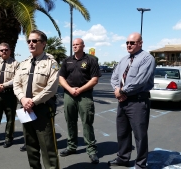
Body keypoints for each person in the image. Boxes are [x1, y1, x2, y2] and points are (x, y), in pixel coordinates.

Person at [13, 30, 60, 169]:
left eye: (35, 41)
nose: (31, 44)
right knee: (30, 145)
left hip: (42, 109)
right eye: (29, 41)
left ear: (43, 44)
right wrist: (22, 99)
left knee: (47, 147)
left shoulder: (51, 63)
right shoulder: (24, 64)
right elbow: (16, 84)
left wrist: (33, 101)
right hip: (25, 109)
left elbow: (51, 88)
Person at [108, 32, 155, 169]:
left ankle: (140, 164)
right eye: (127, 42)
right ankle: (123, 158)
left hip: (138, 102)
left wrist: (122, 91)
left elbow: (140, 80)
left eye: (132, 43)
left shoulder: (147, 58)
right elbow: (114, 77)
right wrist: (117, 90)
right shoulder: (124, 60)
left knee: (140, 135)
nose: (129, 45)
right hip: (122, 101)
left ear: (140, 43)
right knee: (122, 132)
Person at [59, 38, 101, 164]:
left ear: (83, 46)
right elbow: (61, 78)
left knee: (87, 122)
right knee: (70, 121)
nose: (75, 46)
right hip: (69, 95)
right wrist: (70, 90)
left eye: (77, 44)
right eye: (73, 45)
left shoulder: (91, 60)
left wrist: (80, 90)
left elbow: (94, 79)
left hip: (85, 96)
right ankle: (72, 147)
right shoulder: (67, 61)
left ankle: (91, 150)